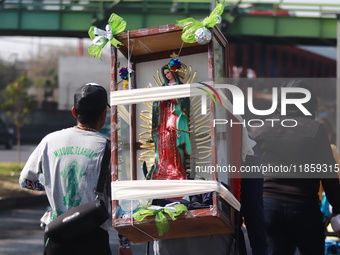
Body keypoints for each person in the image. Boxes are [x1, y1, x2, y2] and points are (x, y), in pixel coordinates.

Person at [19, 83, 112, 255]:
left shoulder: (49, 141)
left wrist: (48, 185)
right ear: (103, 115)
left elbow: (25, 181)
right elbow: (117, 199)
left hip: (57, 235)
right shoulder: (107, 147)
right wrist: (125, 244)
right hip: (94, 240)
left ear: (74, 112)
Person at [251, 79, 340, 255]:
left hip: (269, 207)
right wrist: (337, 206)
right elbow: (328, 173)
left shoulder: (260, 129)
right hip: (303, 208)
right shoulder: (315, 129)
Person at [148, 63, 191, 180]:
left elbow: (185, 104)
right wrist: (161, 99)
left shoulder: (180, 86)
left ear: (174, 72)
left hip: (175, 115)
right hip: (164, 116)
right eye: (165, 74)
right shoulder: (163, 87)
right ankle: (164, 168)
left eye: (168, 72)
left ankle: (176, 168)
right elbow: (157, 104)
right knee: (164, 140)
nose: (167, 75)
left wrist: (174, 99)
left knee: (173, 139)